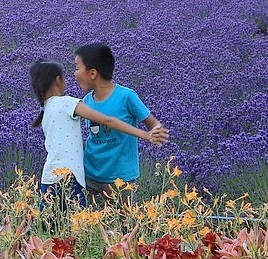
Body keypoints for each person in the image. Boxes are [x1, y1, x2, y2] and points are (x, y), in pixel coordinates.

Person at [30, 59, 168, 214]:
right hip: (70, 178)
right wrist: (145, 134)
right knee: (76, 228)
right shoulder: (67, 103)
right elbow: (107, 120)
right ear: (58, 80)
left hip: (48, 178)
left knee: (53, 230)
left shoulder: (46, 108)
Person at [74, 43, 167, 206]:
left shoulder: (127, 96)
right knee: (85, 225)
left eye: (77, 68)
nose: (74, 73)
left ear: (93, 73)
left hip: (120, 178)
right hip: (89, 174)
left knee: (124, 226)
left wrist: (156, 133)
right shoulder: (87, 100)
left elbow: (152, 123)